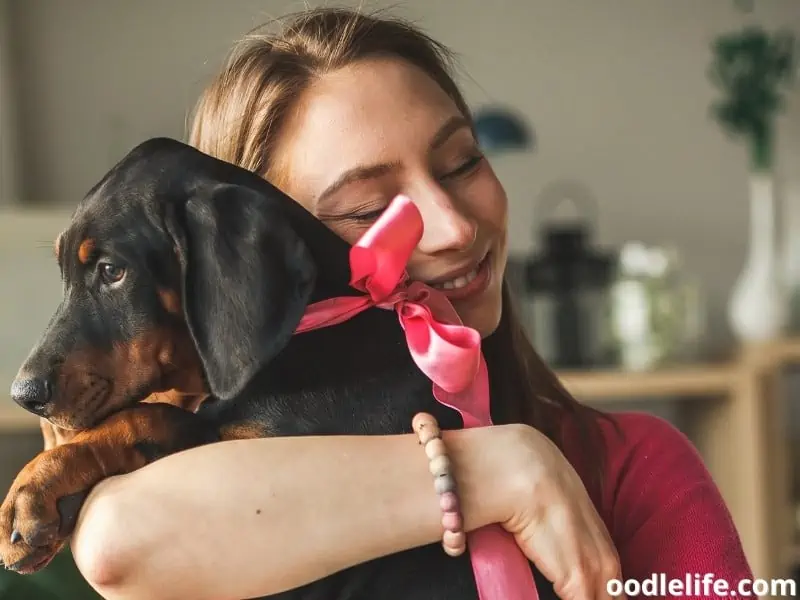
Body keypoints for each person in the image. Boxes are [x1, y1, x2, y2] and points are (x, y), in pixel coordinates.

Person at [69, 7, 752, 600]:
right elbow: (115, 544)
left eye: (462, 162)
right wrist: (503, 471)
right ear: (251, 274)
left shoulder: (628, 464)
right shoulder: (202, 487)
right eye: (368, 209)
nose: (455, 228)